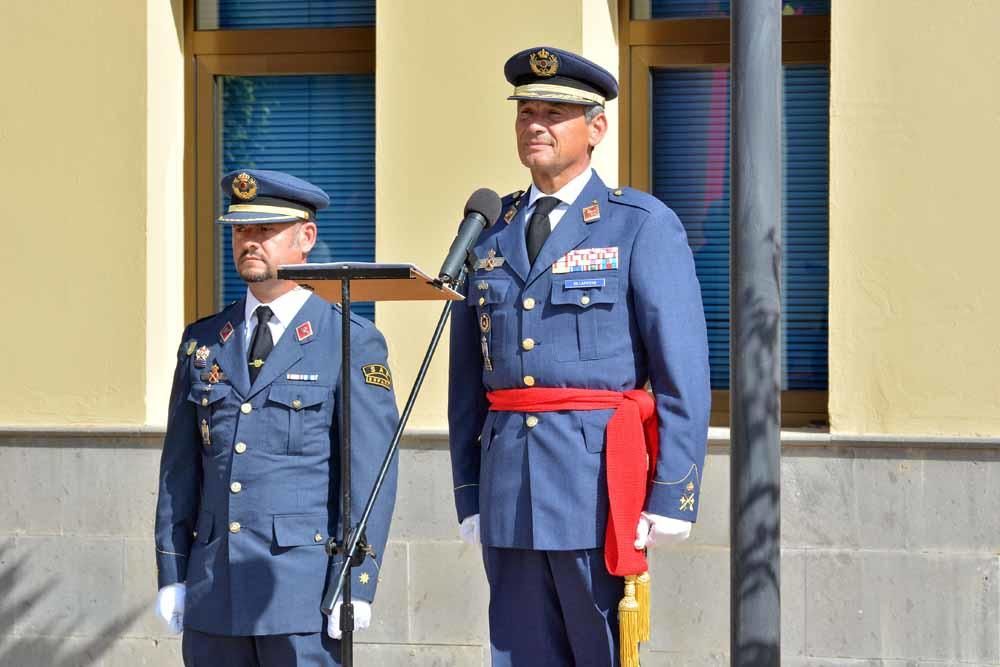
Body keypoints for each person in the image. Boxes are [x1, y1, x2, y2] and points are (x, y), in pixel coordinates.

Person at [447, 47, 710, 666]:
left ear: (596, 128)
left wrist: (671, 494)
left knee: (599, 651)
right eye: (525, 112)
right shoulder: (489, 231)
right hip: (510, 486)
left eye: (555, 112)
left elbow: (682, 372)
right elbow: (467, 380)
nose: (535, 124)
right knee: (517, 653)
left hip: (596, 487)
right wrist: (469, 491)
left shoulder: (638, 225)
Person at [154, 169, 399, 666]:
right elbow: (180, 470)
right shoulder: (205, 340)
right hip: (214, 590)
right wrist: (173, 571)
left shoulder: (346, 338)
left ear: (305, 238)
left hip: (300, 593)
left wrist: (357, 582)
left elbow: (371, 473)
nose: (251, 242)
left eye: (266, 230)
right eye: (242, 230)